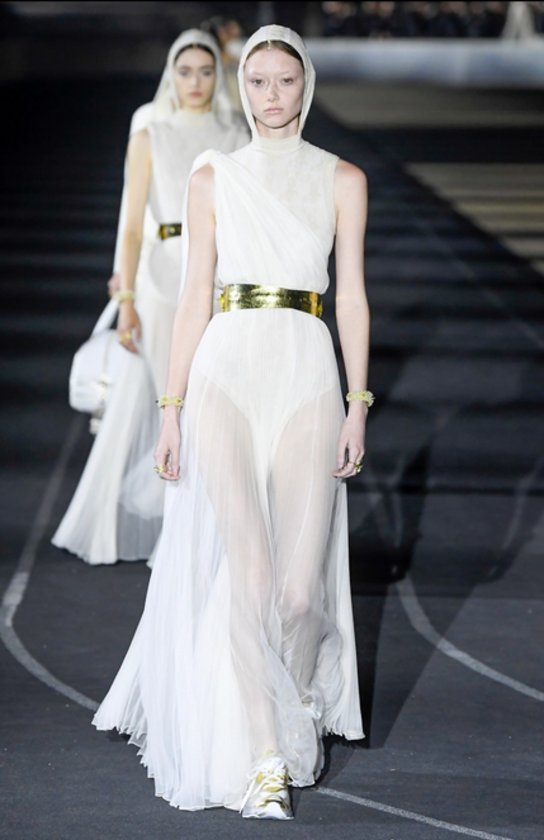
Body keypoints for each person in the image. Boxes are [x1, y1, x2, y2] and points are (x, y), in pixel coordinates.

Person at [93, 24, 370, 820]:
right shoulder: (213, 175)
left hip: (307, 369)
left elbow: (352, 296)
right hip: (225, 372)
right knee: (249, 576)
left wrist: (358, 403)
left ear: (306, 84)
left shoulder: (342, 178)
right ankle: (264, 758)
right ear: (240, 87)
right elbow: (193, 299)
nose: (271, 96)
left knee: (299, 596)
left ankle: (291, 704)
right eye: (257, 81)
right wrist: (170, 411)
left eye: (285, 80)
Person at [51, 29, 249, 566]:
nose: (195, 82)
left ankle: (192, 536)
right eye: (185, 72)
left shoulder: (236, 133)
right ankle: (151, 531)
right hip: (162, 280)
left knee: (210, 405)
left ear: (218, 75)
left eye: (205, 72)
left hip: (218, 277)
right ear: (170, 75)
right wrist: (127, 298)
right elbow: (132, 223)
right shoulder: (150, 135)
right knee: (168, 402)